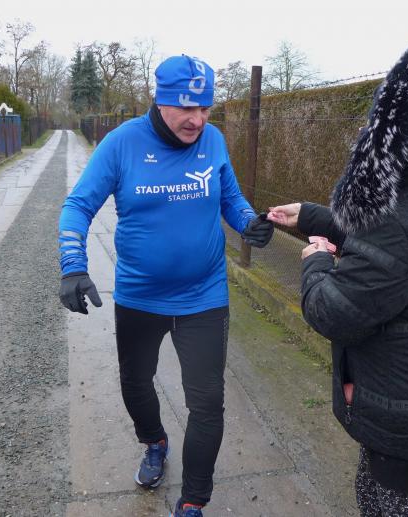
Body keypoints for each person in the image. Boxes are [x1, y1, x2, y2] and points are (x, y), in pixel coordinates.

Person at [268, 42, 408, 517]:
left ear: (400, 139)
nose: (366, 132)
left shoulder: (398, 219)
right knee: (373, 498)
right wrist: (312, 217)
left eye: (377, 124)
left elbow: (334, 312)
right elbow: (392, 255)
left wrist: (315, 261)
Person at [58, 54, 274, 517]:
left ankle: (193, 500)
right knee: (135, 383)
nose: (198, 120)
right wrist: (73, 264)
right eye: (186, 108)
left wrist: (248, 222)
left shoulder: (213, 140)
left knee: (208, 402)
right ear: (160, 100)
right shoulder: (122, 143)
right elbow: (78, 206)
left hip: (204, 296)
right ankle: (154, 441)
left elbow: (230, 197)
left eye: (205, 108)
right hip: (141, 297)